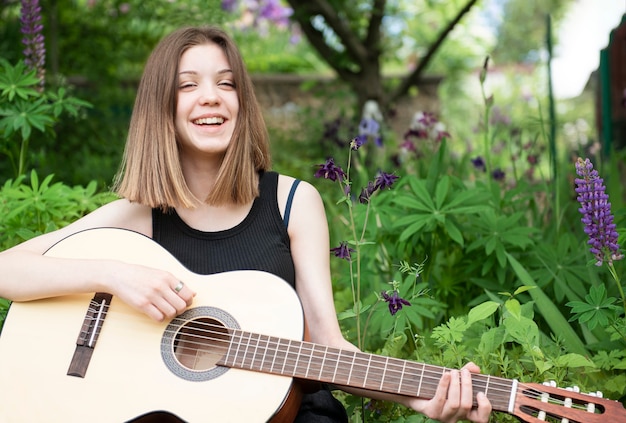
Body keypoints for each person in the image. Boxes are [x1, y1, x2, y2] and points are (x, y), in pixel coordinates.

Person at [0, 26, 492, 423]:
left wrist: (421, 397)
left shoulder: (293, 201)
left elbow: (325, 343)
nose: (211, 97)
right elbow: (7, 269)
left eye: (227, 83)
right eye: (188, 84)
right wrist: (114, 274)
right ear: (161, 108)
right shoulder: (138, 217)